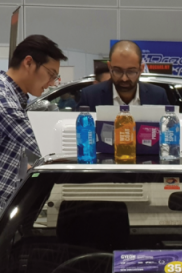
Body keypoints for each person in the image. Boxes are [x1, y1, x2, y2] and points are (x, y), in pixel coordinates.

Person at [0, 35, 67, 212]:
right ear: (28, 63)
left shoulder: (15, 98)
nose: (52, 83)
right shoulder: (3, 99)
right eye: (51, 74)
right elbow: (44, 145)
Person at [77, 40, 169, 111]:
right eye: (118, 71)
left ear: (141, 69)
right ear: (109, 67)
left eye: (131, 72)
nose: (124, 78)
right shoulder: (90, 96)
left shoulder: (158, 96)